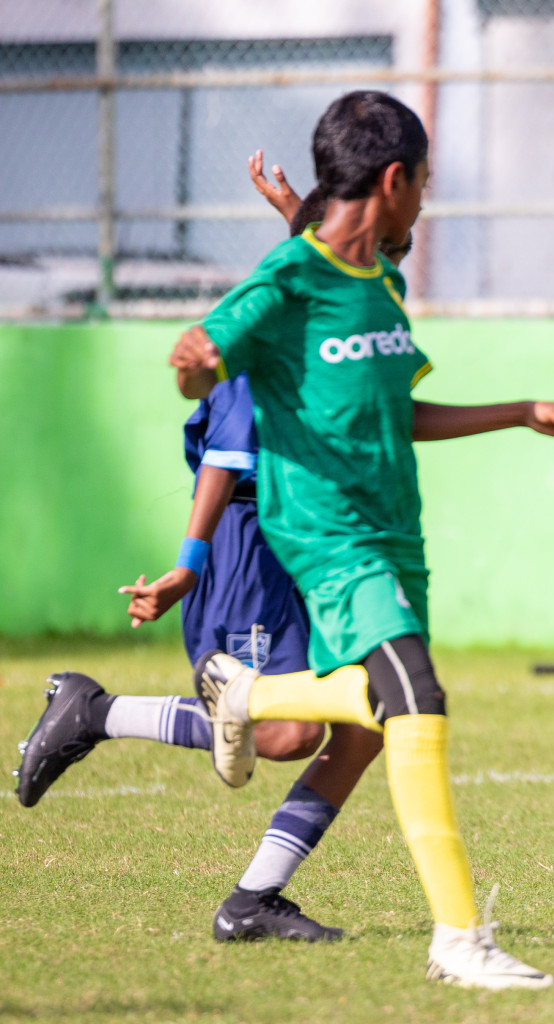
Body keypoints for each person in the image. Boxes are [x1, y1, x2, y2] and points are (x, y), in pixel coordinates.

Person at [169, 91, 554, 991]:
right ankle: (458, 939)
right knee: (417, 697)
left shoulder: (382, 288)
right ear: (395, 181)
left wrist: (523, 413)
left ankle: (245, 693)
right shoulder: (286, 281)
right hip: (327, 533)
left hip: (398, 533)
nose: (426, 201)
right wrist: (195, 360)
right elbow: (206, 352)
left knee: (375, 702)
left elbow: (398, 412)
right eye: (426, 184)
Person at [12, 167, 403, 945]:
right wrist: (190, 563)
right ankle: (97, 712)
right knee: (290, 733)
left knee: (368, 720)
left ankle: (253, 900)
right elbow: (225, 459)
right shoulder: (265, 335)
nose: (391, 262)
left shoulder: (342, 300)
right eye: (384, 244)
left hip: (314, 545)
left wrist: (299, 210)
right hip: (249, 545)